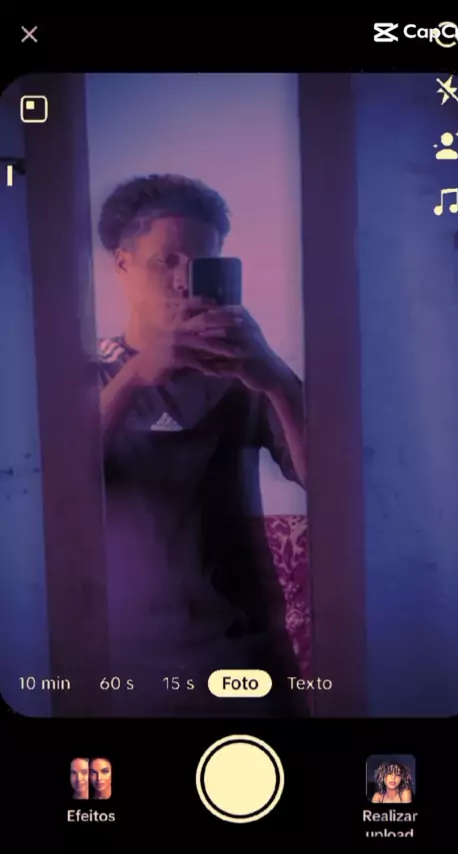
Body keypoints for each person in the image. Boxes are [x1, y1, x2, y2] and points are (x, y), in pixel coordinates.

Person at [96, 173, 308, 717]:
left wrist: (276, 379)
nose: (181, 281)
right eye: (164, 261)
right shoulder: (88, 377)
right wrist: (136, 375)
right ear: (122, 263)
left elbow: (331, 483)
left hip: (246, 662)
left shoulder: (246, 373)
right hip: (121, 667)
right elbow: (47, 484)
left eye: (200, 263)